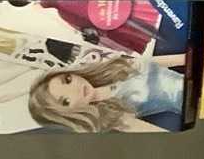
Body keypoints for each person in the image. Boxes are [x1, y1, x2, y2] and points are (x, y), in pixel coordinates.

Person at [27, 55, 184, 132]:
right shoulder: (113, 116)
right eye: (65, 101)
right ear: (68, 115)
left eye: (67, 80)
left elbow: (159, 61)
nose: (75, 89)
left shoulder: (111, 67)